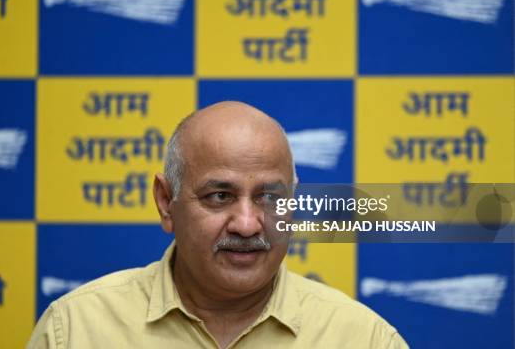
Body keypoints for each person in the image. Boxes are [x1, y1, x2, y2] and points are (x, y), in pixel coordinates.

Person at [27, 101, 408, 348]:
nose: (246, 224)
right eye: (219, 197)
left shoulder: (364, 339)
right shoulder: (75, 330)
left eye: (270, 198)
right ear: (165, 202)